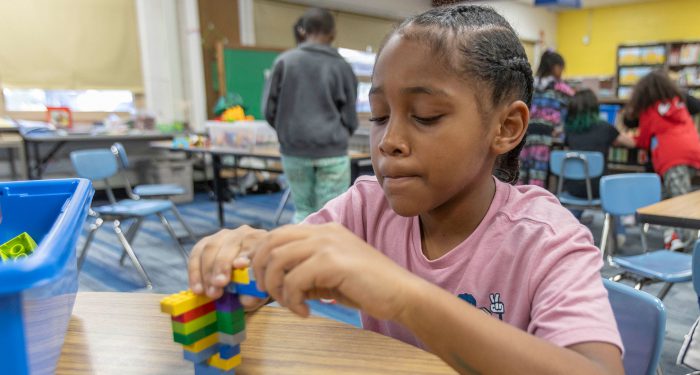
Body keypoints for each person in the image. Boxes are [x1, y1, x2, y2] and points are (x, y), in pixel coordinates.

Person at [190, 5, 623, 374]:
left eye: (427, 115)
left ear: (506, 127)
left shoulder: (546, 239)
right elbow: (275, 270)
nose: (388, 141)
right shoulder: (365, 207)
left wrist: (404, 296)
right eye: (379, 116)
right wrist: (246, 258)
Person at [264, 8, 359, 223]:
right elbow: (350, 112)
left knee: (303, 211)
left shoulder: (284, 62)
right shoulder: (341, 66)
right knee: (332, 215)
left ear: (303, 30)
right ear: (333, 34)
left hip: (294, 149)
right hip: (332, 150)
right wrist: (343, 131)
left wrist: (288, 131)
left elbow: (269, 110)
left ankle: (300, 255)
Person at [624, 70, 700, 249]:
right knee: (678, 197)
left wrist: (631, 139)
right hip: (693, 152)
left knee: (679, 202)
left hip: (671, 157)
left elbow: (643, 139)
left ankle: (688, 246)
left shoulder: (649, 110)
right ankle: (674, 238)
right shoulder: (678, 103)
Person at [564, 89, 635, 199]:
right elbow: (632, 143)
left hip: (572, 189)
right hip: (598, 189)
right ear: (595, 107)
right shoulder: (605, 128)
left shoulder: (569, 131)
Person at [518, 50, 575, 188]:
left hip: (525, 134)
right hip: (548, 136)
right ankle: (537, 204)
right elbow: (572, 107)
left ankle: (518, 204)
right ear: (556, 67)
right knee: (539, 173)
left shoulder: (528, 84)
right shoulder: (561, 88)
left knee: (521, 172)